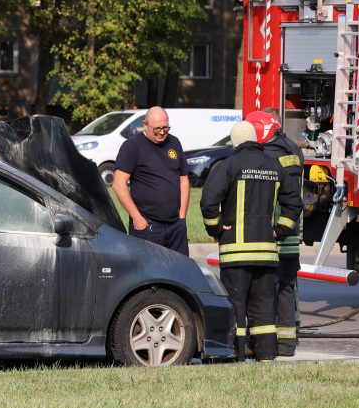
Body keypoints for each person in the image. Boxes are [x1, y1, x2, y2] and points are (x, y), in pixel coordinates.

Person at [200, 121, 302, 362]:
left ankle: (236, 355)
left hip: (236, 254)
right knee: (264, 308)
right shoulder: (273, 165)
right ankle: (266, 355)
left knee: (236, 305)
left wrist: (215, 228)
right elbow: (294, 203)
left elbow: (208, 202)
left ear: (235, 141)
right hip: (266, 253)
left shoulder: (229, 165)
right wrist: (281, 230)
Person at [246, 109, 304, 357]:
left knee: (264, 291)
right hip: (290, 232)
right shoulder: (294, 150)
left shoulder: (267, 155)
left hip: (271, 234)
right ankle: (287, 344)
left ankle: (261, 343)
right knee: (287, 288)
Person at [113, 106, 190, 256]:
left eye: (165, 128)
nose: (162, 132)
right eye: (157, 128)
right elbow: (118, 184)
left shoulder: (174, 143)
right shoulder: (132, 146)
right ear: (145, 125)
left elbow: (184, 180)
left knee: (180, 272)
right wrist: (137, 218)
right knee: (149, 273)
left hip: (176, 225)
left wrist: (182, 217)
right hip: (147, 225)